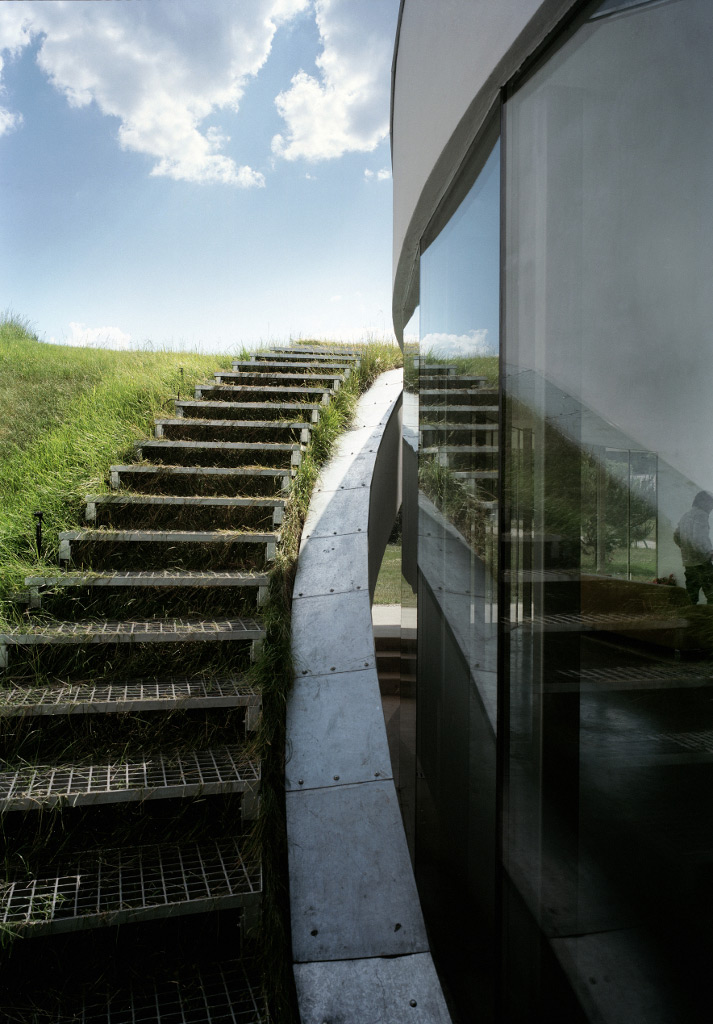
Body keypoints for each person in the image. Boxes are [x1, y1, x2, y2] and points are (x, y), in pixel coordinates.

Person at [674, 491, 713, 603]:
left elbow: (676, 536)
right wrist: (709, 552)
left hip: (688, 563)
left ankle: (690, 620)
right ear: (705, 503)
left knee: (691, 597)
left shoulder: (685, 516)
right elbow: (698, 540)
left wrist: (686, 548)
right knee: (711, 595)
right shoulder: (701, 515)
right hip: (702, 563)